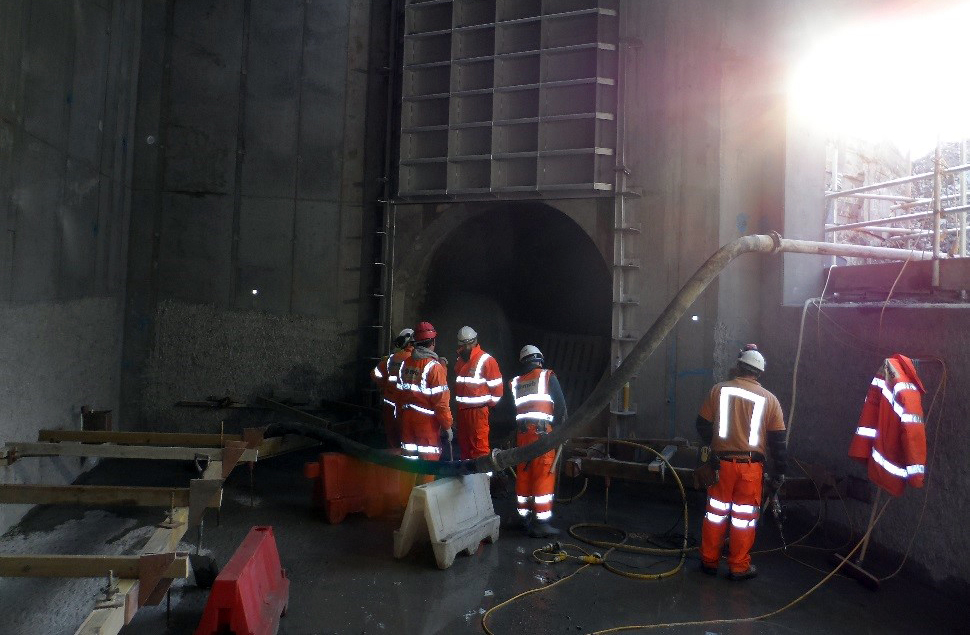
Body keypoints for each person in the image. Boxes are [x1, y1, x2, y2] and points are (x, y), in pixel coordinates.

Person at [695, 345, 787, 580]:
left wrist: (714, 445)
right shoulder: (771, 400)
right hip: (750, 470)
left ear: (738, 366)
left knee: (715, 514)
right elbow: (778, 443)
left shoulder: (718, 390)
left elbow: (702, 425)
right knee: (744, 520)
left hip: (720, 466)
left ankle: (709, 562)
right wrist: (780, 473)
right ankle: (738, 567)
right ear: (759, 373)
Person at [510, 345, 567, 538]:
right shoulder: (547, 376)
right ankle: (541, 523)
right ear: (539, 360)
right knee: (543, 474)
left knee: (524, 475)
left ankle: (523, 517)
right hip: (542, 435)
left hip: (522, 435)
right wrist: (561, 430)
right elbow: (560, 407)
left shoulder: (516, 382)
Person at [396, 321, 453, 477]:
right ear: (432, 342)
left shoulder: (406, 364)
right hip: (426, 423)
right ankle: (423, 498)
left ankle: (406, 498)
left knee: (409, 463)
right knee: (428, 462)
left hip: (407, 418)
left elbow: (399, 394)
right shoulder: (434, 368)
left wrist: (401, 415)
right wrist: (447, 426)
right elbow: (441, 403)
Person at [453, 326, 504, 461]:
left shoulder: (487, 360)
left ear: (474, 342)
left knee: (480, 449)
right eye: (462, 345)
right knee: (464, 449)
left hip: (478, 412)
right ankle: (467, 480)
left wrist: (488, 406)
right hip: (463, 412)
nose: (465, 347)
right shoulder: (459, 361)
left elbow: (497, 390)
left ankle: (483, 480)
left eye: (467, 344)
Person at [370, 328, 414, 448]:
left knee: (392, 439)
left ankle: (392, 462)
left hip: (389, 405)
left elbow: (375, 373)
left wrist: (384, 386)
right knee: (407, 440)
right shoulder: (417, 361)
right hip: (405, 407)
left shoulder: (392, 359)